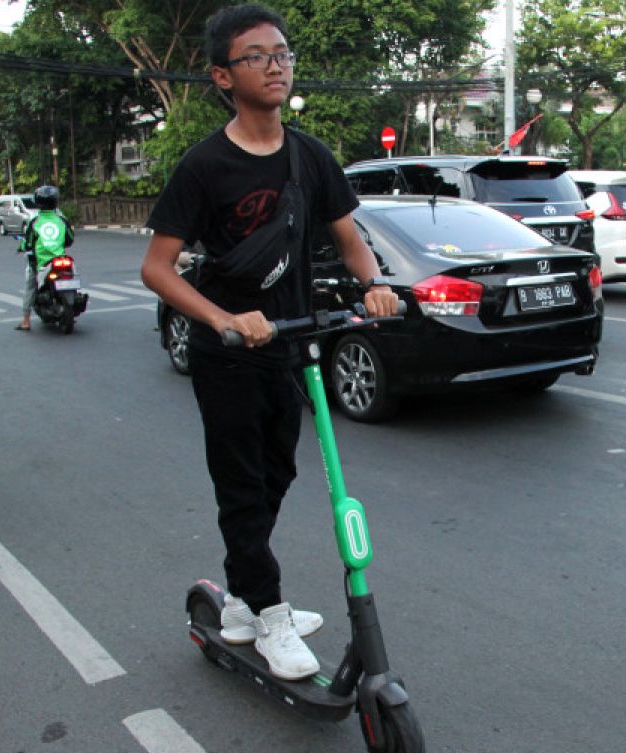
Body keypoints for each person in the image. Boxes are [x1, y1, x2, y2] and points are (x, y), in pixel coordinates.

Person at [140, 3, 398, 681]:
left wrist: (373, 284)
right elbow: (157, 268)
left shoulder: (310, 155)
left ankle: (241, 605)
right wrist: (222, 317)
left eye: (282, 52)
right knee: (243, 488)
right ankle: (268, 610)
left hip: (289, 344)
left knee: (278, 474)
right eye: (257, 55)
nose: (276, 64)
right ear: (223, 76)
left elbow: (349, 238)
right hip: (227, 356)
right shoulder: (205, 166)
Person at [16, 185, 74, 331]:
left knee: (30, 285)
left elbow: (28, 243)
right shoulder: (62, 220)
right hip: (61, 259)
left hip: (43, 263)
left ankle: (26, 321)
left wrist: (21, 247)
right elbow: (70, 240)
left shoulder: (34, 222)